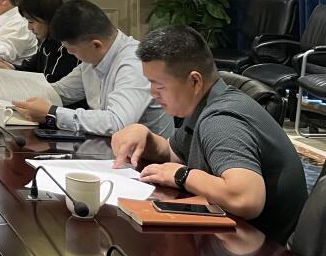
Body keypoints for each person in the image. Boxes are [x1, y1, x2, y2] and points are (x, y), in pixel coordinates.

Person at [112, 26, 307, 244]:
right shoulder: (206, 103)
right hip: (234, 238)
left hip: (264, 251)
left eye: (158, 85)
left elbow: (246, 199)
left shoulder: (221, 121)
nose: (152, 92)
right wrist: (144, 136)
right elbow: (174, 153)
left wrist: (182, 176)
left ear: (195, 81)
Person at [0, 0, 173, 137]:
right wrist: (2, 90)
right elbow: (58, 92)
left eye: (72, 50)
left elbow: (117, 123)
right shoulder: (93, 60)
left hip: (146, 164)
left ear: (96, 45)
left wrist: (53, 114)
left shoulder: (134, 63)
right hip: (109, 150)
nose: (71, 55)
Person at [0, 0, 77, 82]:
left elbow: (51, 84)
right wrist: (7, 66)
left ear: (47, 18)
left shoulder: (66, 48)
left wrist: (10, 72)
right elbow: (30, 69)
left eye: (31, 22)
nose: (29, 28)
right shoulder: (46, 42)